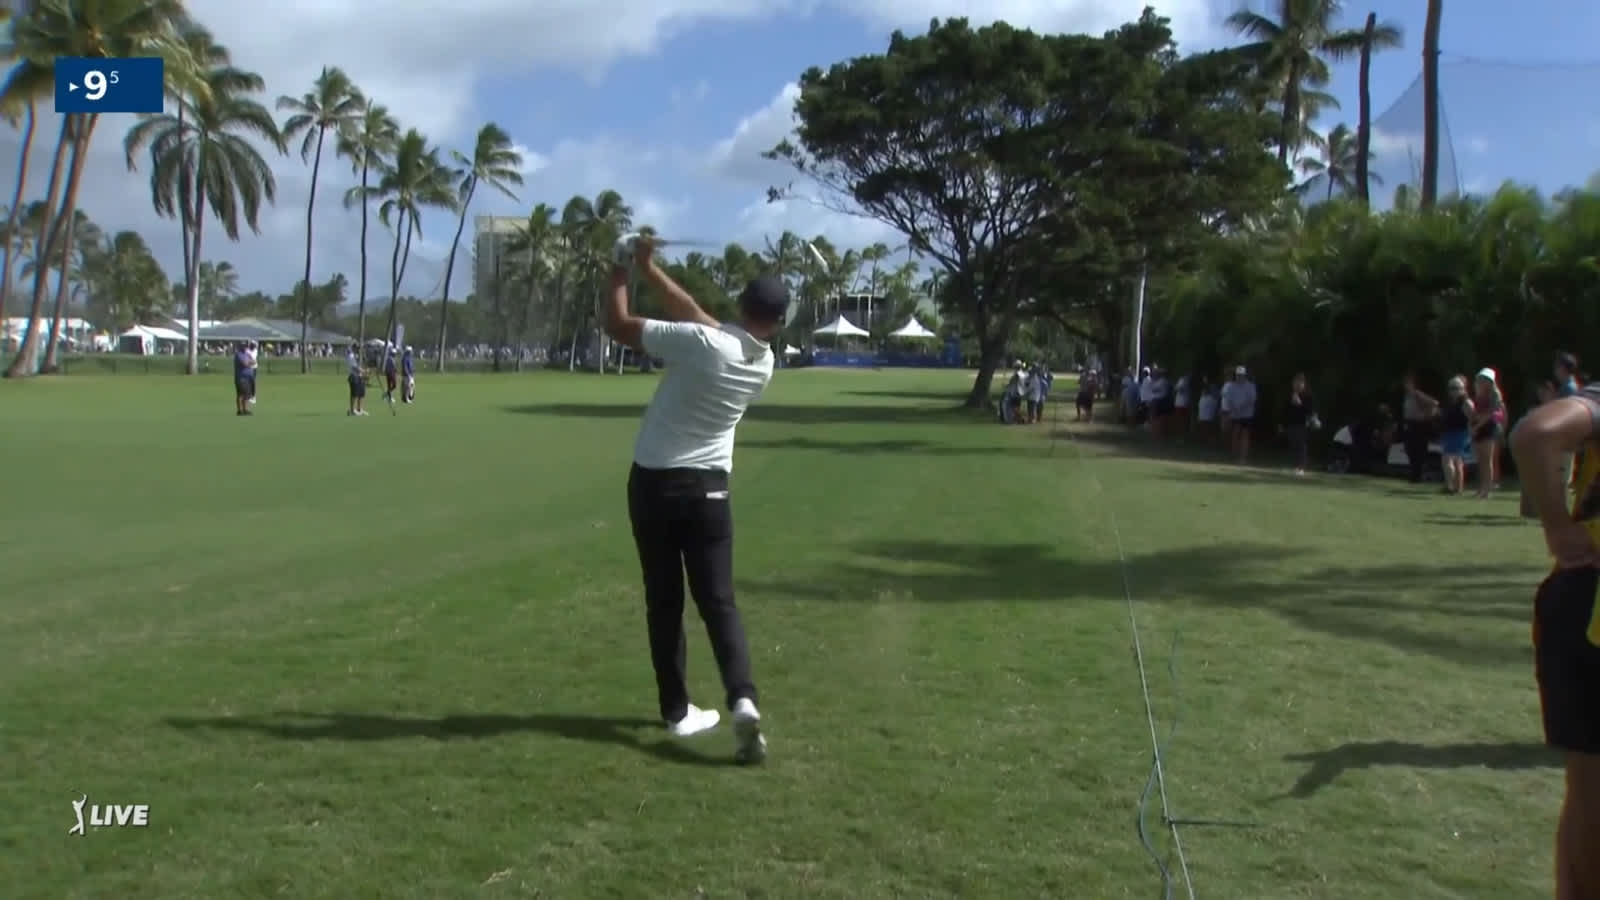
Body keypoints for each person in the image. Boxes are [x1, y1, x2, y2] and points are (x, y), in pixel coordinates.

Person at [600, 235, 780, 765]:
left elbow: (618, 326)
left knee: (665, 602)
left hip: (654, 486)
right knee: (718, 602)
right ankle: (742, 698)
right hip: (710, 494)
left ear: (742, 305)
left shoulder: (705, 346)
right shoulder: (761, 362)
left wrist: (619, 265)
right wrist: (649, 268)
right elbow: (698, 315)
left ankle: (677, 712)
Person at [1508, 381, 1600, 900]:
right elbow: (1535, 433)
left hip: (1578, 603)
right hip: (1591, 615)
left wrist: (1559, 528)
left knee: (1588, 796)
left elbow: (1535, 434)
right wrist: (1558, 529)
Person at [1471, 368, 1507, 498]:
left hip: (1489, 428)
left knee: (1487, 460)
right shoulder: (1479, 393)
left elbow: (1492, 414)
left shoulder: (1495, 394)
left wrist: (1477, 426)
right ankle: (1481, 487)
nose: (1480, 381)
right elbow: (1475, 411)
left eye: (1483, 379)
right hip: (1479, 427)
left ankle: (1487, 489)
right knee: (1480, 460)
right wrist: (1474, 426)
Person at [1401, 372, 1440, 483]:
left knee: (1418, 451)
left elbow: (1434, 403)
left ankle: (1417, 476)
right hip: (1409, 424)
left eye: (1408, 383)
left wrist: (1427, 416)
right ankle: (1413, 475)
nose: (1406, 385)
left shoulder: (1417, 394)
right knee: (1410, 450)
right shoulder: (1407, 396)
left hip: (1418, 425)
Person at [1439, 375, 1474, 494]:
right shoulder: (1450, 402)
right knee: (1458, 462)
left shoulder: (1466, 402)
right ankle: (1458, 488)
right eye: (1451, 388)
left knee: (1447, 459)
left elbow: (1473, 418)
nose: (1453, 391)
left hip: (1460, 434)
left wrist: (1471, 432)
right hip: (1449, 433)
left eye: (1456, 388)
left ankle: (1450, 487)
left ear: (1463, 389)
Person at [1282, 373, 1315, 476]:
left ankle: (1302, 468)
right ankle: (1296, 467)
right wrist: (1282, 424)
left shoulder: (1308, 396)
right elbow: (1285, 410)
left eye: (1299, 383)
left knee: (1301, 446)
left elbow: (1310, 411)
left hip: (1303, 424)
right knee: (1294, 445)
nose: (1297, 385)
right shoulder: (1290, 395)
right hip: (1291, 424)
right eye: (1295, 382)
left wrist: (1300, 404)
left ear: (1303, 384)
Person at [1223, 366, 1257, 463]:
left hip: (1247, 415)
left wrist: (1241, 407)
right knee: (1235, 434)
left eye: (1241, 375)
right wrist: (1234, 408)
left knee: (1245, 436)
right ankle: (1235, 456)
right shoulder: (1231, 386)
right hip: (1235, 414)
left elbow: (1252, 399)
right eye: (1238, 375)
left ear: (1245, 375)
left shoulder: (1250, 386)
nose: (1239, 377)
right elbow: (1228, 399)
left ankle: (1243, 457)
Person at [232, 342, 254, 416]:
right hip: (241, 378)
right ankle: (241, 410)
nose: (245, 348)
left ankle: (244, 410)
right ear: (240, 347)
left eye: (246, 346)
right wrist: (249, 362)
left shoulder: (247, 354)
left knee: (245, 394)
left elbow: (254, 361)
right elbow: (245, 364)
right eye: (243, 346)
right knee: (242, 394)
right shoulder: (238, 355)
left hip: (247, 378)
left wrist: (249, 362)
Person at [346, 344, 368, 416]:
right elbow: (354, 367)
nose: (359, 349)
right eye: (358, 348)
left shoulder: (358, 356)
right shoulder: (351, 356)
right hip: (354, 376)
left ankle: (360, 409)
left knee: (361, 393)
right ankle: (352, 410)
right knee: (354, 394)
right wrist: (363, 371)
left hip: (360, 376)